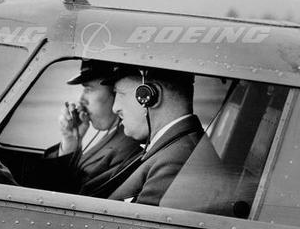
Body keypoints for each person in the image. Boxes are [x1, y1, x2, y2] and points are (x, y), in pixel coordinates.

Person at [0, 60, 142, 195]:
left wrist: (11, 189)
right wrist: (70, 141)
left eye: (89, 89)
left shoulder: (127, 148)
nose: (81, 100)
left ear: (115, 92)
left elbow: (76, 206)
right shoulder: (113, 137)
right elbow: (63, 188)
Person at [100, 66, 233, 211]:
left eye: (121, 94)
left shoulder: (177, 161)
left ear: (151, 96)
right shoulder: (172, 147)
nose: (115, 108)